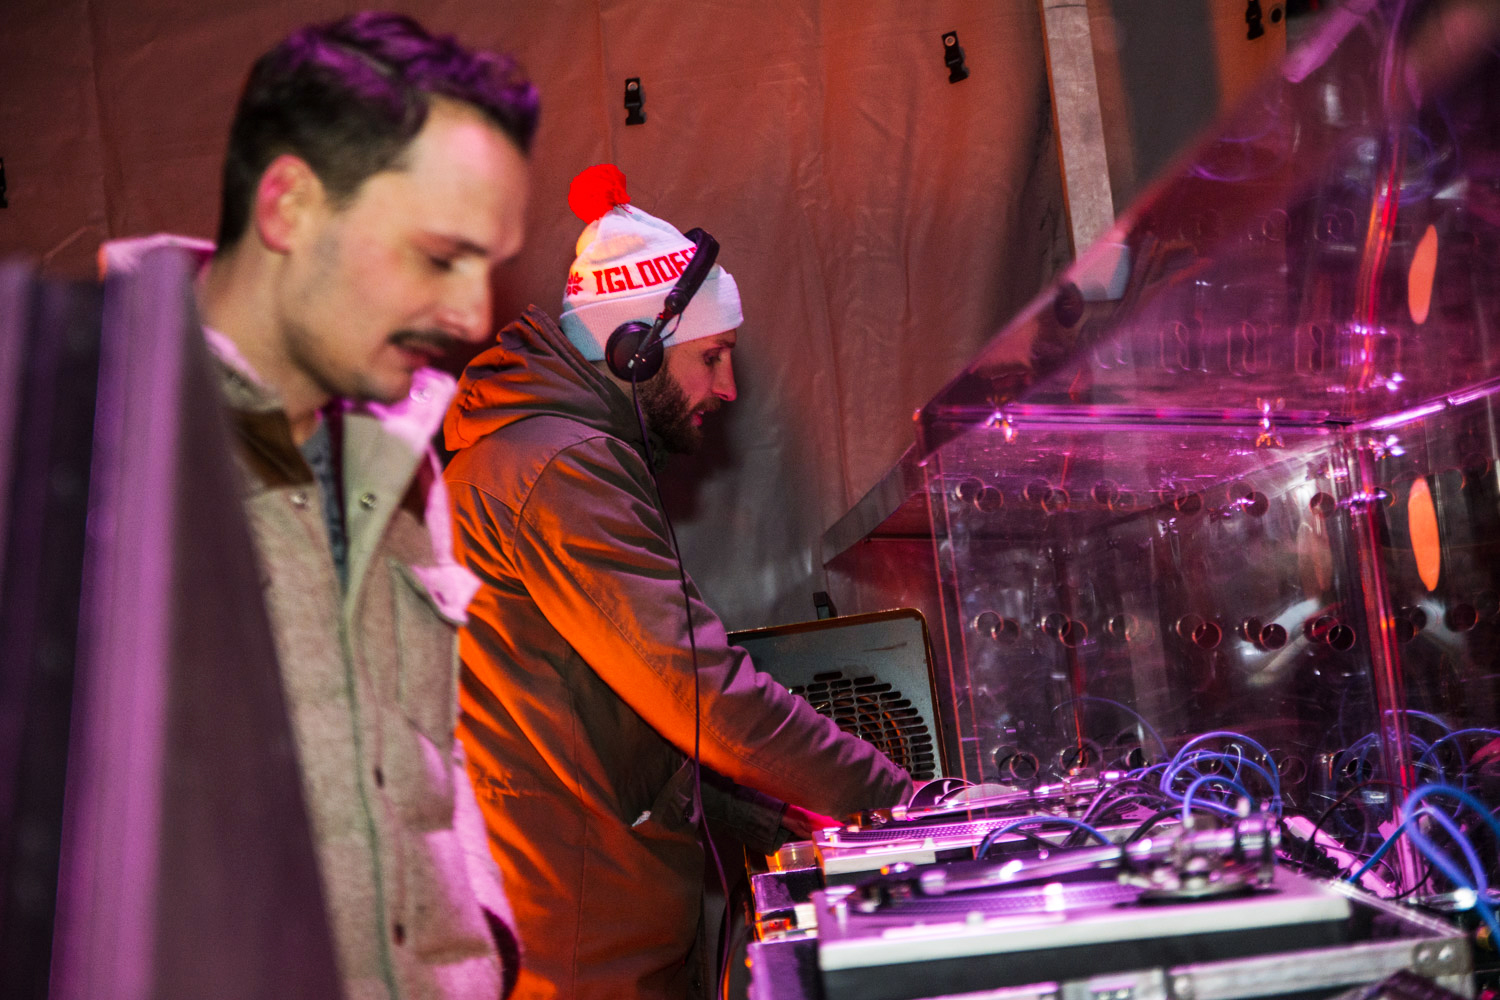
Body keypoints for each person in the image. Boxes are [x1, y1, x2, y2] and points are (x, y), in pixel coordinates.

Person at [102, 13, 537, 999]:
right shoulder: (99, 438)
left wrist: (484, 943)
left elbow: (431, 749)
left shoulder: (403, 450)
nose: (472, 317)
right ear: (290, 206)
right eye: (440, 256)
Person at [443, 164, 913, 1000]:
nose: (727, 389)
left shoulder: (545, 454)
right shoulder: (561, 468)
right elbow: (702, 694)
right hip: (585, 942)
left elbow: (627, 721)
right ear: (636, 349)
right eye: (713, 356)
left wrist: (773, 813)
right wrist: (908, 804)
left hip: (584, 916)